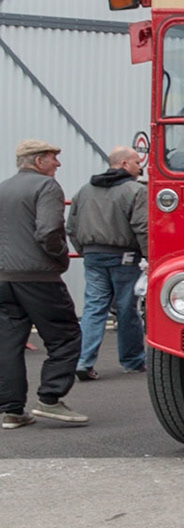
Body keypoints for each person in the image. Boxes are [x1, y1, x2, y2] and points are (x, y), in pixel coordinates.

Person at [0, 139, 86, 428]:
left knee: (8, 343)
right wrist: (60, 257)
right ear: (38, 162)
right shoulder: (46, 187)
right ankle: (50, 399)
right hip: (38, 277)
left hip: (4, 277)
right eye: (53, 158)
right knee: (66, 336)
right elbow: (49, 230)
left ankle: (11, 410)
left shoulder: (3, 187)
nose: (58, 164)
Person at [69, 145, 147, 379]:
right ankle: (132, 361)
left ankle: (84, 361)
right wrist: (149, 256)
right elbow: (142, 228)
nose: (139, 166)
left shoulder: (85, 190)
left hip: (93, 256)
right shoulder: (135, 191)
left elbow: (71, 227)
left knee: (94, 307)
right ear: (124, 164)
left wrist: (83, 250)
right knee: (126, 309)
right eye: (136, 162)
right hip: (125, 256)